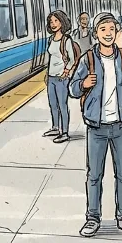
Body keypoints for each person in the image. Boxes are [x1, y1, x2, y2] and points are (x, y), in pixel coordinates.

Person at [69, 12, 122, 239]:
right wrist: (83, 83)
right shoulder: (87, 59)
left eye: (111, 29)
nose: (108, 34)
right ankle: (93, 218)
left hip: (121, 127)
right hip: (96, 127)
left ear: (117, 32)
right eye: (103, 29)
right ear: (96, 33)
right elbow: (72, 88)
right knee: (94, 175)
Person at [44, 10, 79, 143]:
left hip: (61, 78)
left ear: (62, 22)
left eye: (56, 21)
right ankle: (55, 127)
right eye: (51, 21)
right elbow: (51, 58)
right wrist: (47, 73)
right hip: (52, 76)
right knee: (53, 104)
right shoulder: (50, 39)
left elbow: (72, 58)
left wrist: (67, 71)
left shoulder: (66, 40)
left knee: (62, 105)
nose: (53, 24)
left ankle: (64, 132)